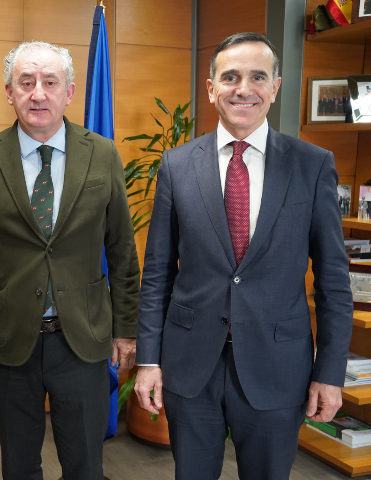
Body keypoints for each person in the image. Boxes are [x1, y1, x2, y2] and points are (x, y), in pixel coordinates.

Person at [134, 32, 353, 480]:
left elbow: (333, 281)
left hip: (278, 368)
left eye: (257, 77)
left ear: (275, 86)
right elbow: (158, 274)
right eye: (230, 77)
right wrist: (149, 361)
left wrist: (330, 373)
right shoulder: (176, 166)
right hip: (190, 368)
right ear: (211, 88)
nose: (243, 88)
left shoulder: (312, 165)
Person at [0, 41, 140, 480]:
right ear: (9, 91)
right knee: (18, 463)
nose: (38, 93)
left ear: (69, 92)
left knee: (85, 462)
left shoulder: (103, 154)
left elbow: (122, 251)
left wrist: (126, 330)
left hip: (83, 338)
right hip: (8, 339)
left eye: (50, 82)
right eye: (26, 82)